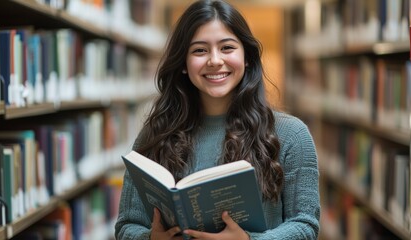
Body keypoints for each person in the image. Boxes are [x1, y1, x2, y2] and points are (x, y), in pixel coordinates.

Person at [115, 0, 320, 239]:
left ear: (247, 58)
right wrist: (150, 238)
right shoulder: (155, 134)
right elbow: (127, 225)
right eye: (200, 50)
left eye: (227, 48)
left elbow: (306, 226)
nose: (214, 60)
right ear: (183, 63)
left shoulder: (291, 135)